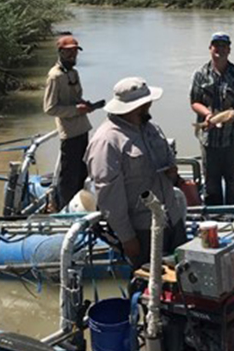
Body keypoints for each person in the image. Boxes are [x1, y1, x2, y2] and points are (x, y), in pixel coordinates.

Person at [85, 77, 187, 264]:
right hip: (143, 229)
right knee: (150, 283)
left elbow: (167, 162)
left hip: (172, 219)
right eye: (146, 103)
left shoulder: (151, 129)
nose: (150, 106)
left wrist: (173, 174)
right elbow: (109, 195)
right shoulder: (107, 141)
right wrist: (127, 237)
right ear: (134, 107)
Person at [190, 32, 234, 205]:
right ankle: (214, 217)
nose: (220, 49)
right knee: (211, 182)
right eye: (216, 45)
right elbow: (194, 102)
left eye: (224, 46)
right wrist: (208, 115)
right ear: (210, 48)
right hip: (208, 139)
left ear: (229, 49)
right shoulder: (200, 74)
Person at [43, 35, 93, 210]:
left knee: (82, 172)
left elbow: (75, 99)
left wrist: (86, 106)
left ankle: (81, 206)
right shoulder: (54, 76)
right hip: (69, 132)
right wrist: (75, 110)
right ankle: (65, 209)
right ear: (60, 52)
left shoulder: (73, 73)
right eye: (68, 51)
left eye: (74, 51)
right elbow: (50, 108)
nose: (72, 54)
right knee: (69, 176)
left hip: (82, 128)